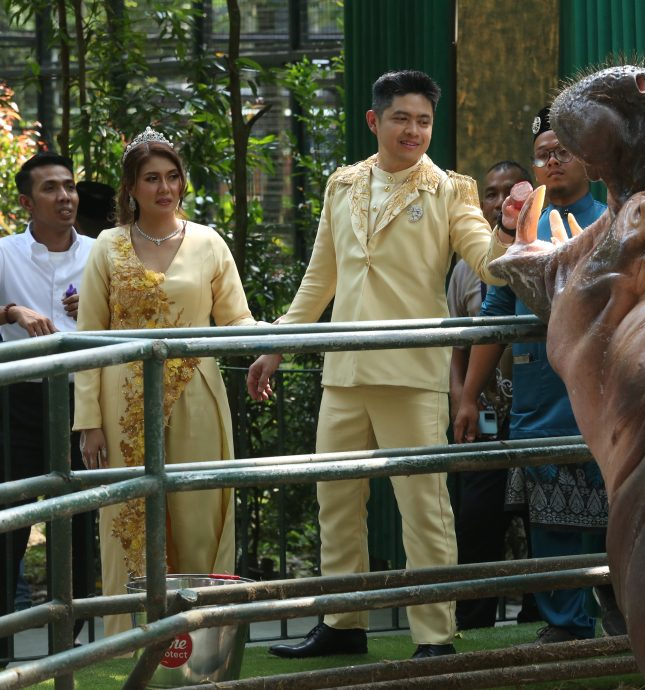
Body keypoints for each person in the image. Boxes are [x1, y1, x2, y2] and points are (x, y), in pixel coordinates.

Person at [246, 70, 514, 660]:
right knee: (335, 501)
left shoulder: (450, 190)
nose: (413, 130)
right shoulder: (342, 185)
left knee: (423, 507)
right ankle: (343, 623)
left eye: (423, 120)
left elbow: (488, 263)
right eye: (402, 118)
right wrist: (278, 345)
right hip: (343, 371)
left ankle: (434, 636)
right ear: (375, 121)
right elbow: (320, 278)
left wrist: (513, 234)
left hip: (412, 372)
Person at [74, 127, 258, 638]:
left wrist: (272, 344)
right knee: (126, 519)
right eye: (151, 178)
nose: (164, 188)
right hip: (121, 402)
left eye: (172, 176)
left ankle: (200, 638)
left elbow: (237, 320)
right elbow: (89, 337)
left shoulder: (207, 242)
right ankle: (123, 641)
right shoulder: (107, 247)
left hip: (197, 394)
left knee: (198, 512)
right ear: (130, 187)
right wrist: (88, 420)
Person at [454, 106, 611, 644]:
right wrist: (469, 396)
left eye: (563, 151)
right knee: (550, 522)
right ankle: (566, 626)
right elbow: (494, 312)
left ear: (587, 159)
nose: (552, 161)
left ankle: (626, 622)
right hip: (539, 397)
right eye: (544, 153)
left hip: (607, 397)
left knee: (620, 517)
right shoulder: (521, 230)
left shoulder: (613, 220)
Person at [0, 151, 96, 660]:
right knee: (10, 517)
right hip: (20, 400)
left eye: (70, 187)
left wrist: (101, 307)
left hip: (83, 401)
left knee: (79, 519)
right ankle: (2, 642)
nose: (65, 197)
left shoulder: (102, 252)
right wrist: (10, 310)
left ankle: (74, 640)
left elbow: (135, 313)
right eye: (51, 189)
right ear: (25, 202)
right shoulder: (4, 254)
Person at [447, 160, 539, 630]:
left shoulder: (541, 252)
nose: (501, 200)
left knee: (534, 512)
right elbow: (456, 348)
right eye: (491, 193)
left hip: (531, 410)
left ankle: (540, 614)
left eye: (511, 190)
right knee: (477, 517)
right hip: (481, 416)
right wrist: (462, 399)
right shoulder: (465, 269)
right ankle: (473, 617)